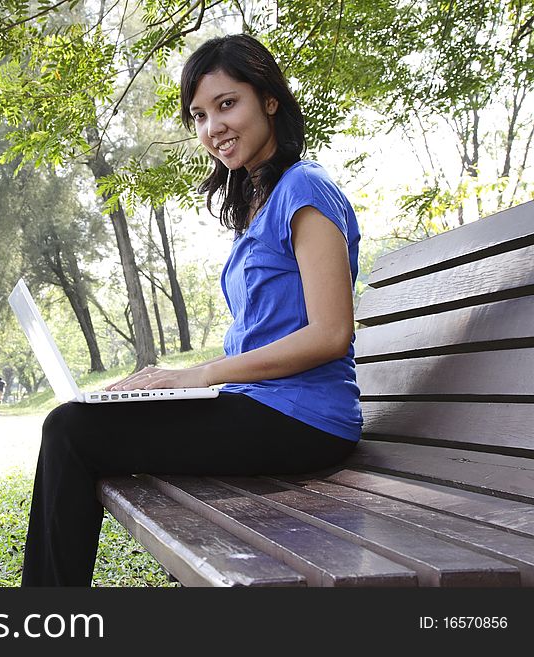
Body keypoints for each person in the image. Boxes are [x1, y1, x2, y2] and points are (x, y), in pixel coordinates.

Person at [20, 34, 362, 587]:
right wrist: (170, 389)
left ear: (269, 100)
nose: (212, 128)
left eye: (227, 104)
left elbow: (329, 333)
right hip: (259, 406)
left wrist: (200, 375)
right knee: (78, 424)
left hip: (306, 418)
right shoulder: (259, 203)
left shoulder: (306, 189)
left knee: (70, 431)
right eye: (200, 116)